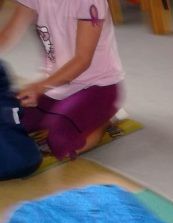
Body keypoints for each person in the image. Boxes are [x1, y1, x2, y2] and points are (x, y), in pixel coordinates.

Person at [0, 0, 124, 160]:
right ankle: (65, 115)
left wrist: (39, 87)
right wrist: (42, 87)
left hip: (97, 86)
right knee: (9, 120)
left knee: (60, 142)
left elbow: (82, 60)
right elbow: (8, 34)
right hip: (55, 85)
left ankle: (103, 120)